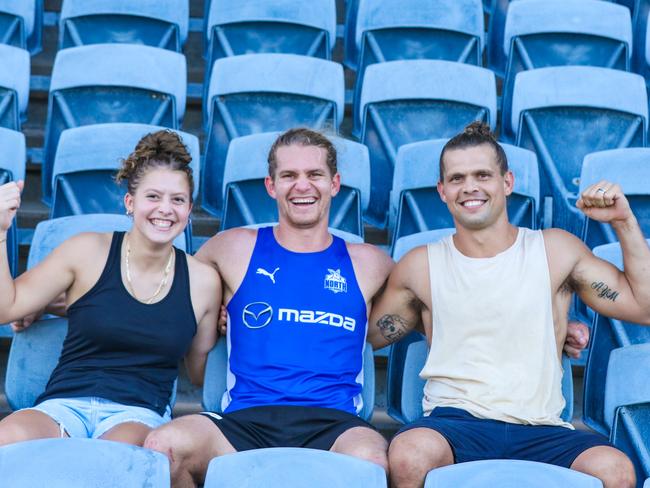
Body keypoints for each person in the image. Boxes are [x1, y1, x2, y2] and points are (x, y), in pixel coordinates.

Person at [370, 122, 649, 488]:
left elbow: (642, 308)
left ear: (507, 182)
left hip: (542, 428)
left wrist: (624, 222)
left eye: (482, 175)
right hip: (455, 424)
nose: (469, 186)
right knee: (409, 454)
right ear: (441, 190)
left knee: (615, 469)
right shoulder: (420, 266)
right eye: (457, 178)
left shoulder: (554, 250)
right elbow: (366, 335)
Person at [143, 128, 394, 487]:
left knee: (371, 461)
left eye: (314, 175)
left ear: (335, 184)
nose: (302, 186)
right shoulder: (229, 248)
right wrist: (216, 315)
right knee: (162, 447)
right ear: (271, 185)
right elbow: (169, 295)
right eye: (289, 175)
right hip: (244, 421)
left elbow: (396, 321)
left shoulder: (371, 263)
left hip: (334, 423)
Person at [0, 130, 220, 446]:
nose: (165, 209)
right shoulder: (86, 250)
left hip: (138, 415)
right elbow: (7, 307)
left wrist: (232, 324)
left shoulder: (203, 280)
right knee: (7, 438)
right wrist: (0, 230)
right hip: (63, 406)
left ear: (189, 210)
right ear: (130, 202)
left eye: (178, 200)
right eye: (153, 196)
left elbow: (199, 375)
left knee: (113, 460)